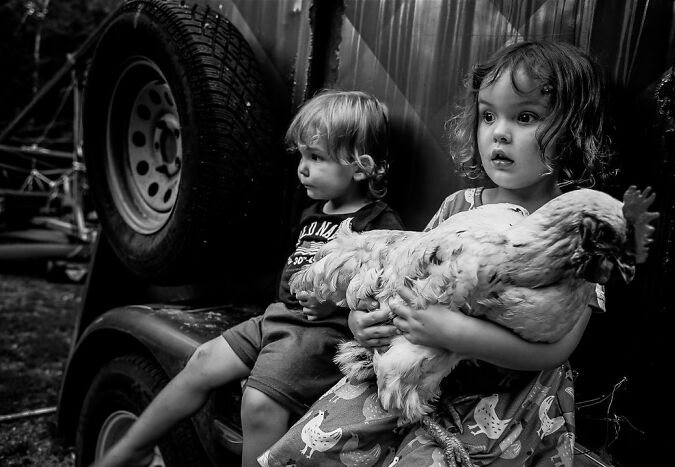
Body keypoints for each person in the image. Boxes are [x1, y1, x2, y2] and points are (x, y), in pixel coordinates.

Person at [260, 41, 613, 467]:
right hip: (415, 370)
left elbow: (557, 349)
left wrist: (450, 332)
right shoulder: (460, 206)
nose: (499, 132)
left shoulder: (579, 229)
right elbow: (399, 279)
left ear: (574, 131)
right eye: (488, 115)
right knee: (314, 447)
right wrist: (363, 321)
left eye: (525, 117)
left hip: (506, 396)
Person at [92, 90, 404, 467]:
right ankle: (135, 445)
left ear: (360, 167)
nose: (302, 168)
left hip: (318, 334)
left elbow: (383, 290)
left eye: (316, 158)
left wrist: (333, 300)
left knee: (259, 405)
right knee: (203, 359)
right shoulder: (314, 212)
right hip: (278, 318)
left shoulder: (378, 224)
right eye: (301, 156)